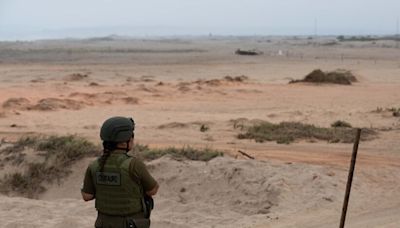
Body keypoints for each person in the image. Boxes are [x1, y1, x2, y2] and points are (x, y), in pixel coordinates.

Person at [81, 116, 159, 228]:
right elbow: (153, 190)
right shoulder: (133, 164)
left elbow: (87, 196)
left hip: (103, 223)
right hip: (130, 223)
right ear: (124, 142)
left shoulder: (94, 165)